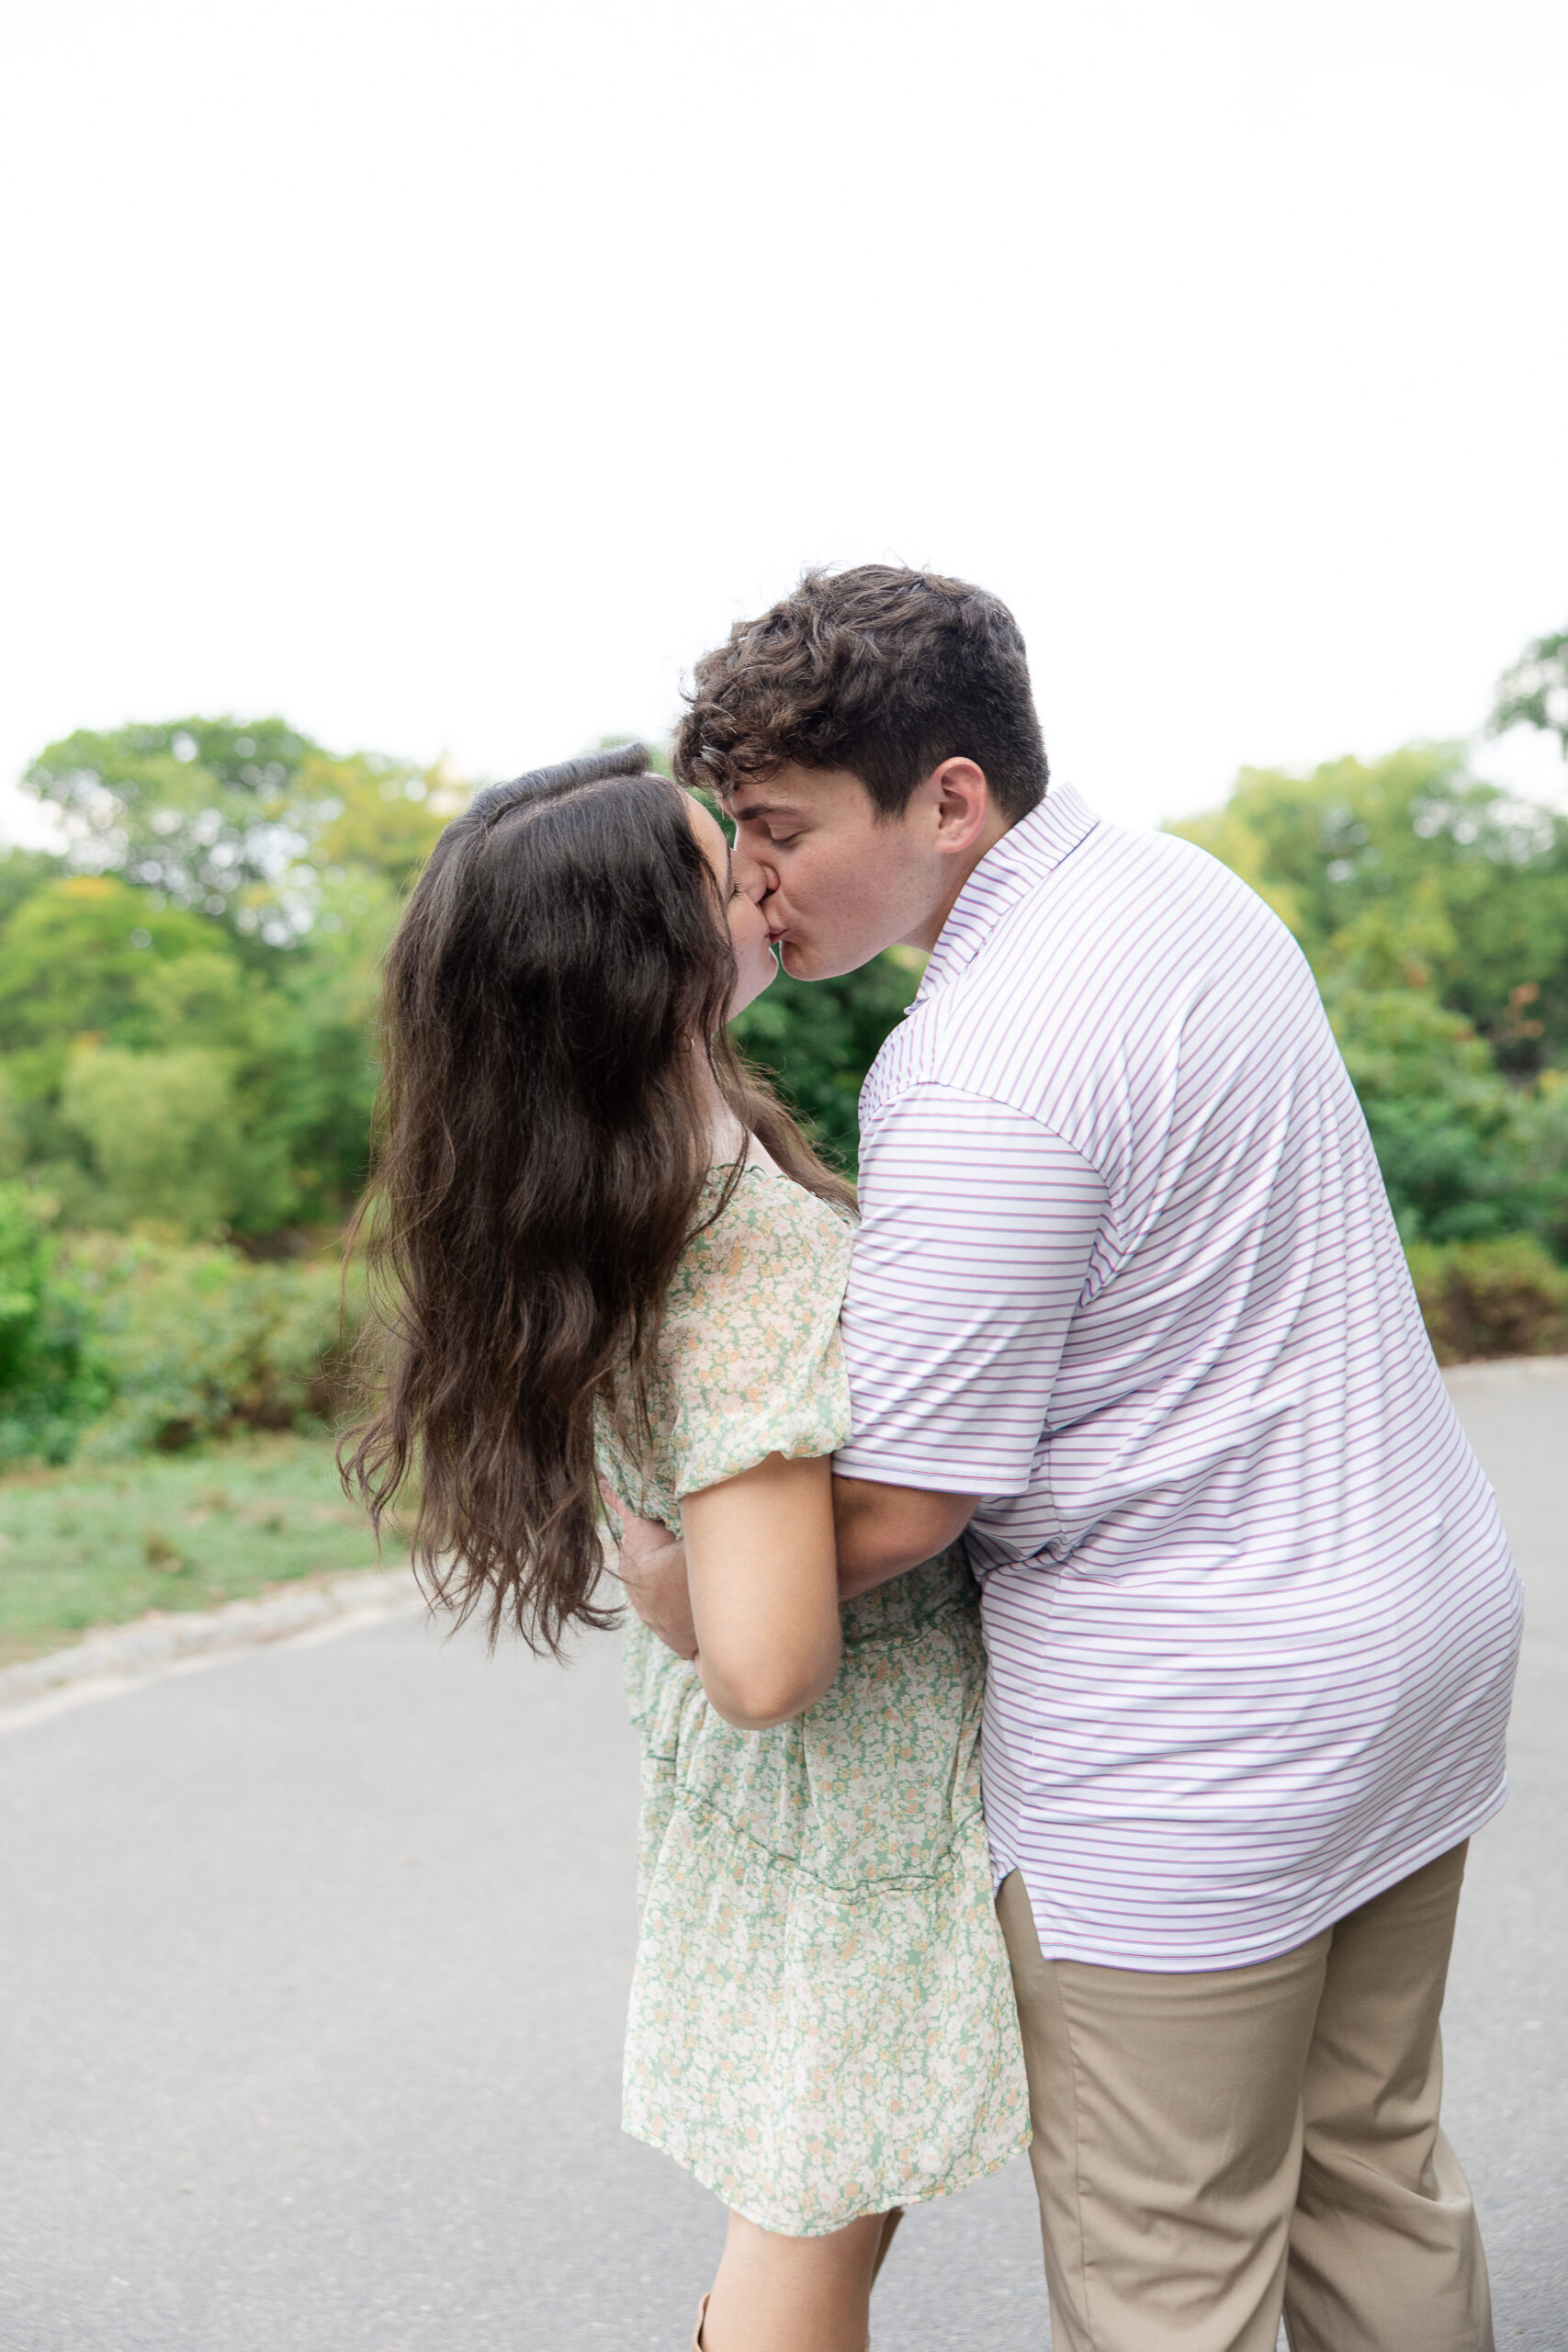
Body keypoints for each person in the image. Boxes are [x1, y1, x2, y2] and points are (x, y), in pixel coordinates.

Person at [620, 566, 1522, 2352]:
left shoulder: (973, 1066)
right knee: (1369, 2181)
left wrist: (670, 1567)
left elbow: (899, 1498)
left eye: (785, 829)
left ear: (947, 798)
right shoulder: (1182, 892)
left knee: (1167, 2274)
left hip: (1197, 1741)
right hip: (1413, 1634)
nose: (756, 881)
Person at [342, 743, 1028, 2352]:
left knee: (789, 2195)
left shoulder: (605, 1179)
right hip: (854, 1781)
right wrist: (683, 1591)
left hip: (768, 1800)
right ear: (648, 964)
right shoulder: (740, 1235)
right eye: (731, 870)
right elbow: (774, 1658)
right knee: (809, 2219)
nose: (767, 881)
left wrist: (679, 1584)